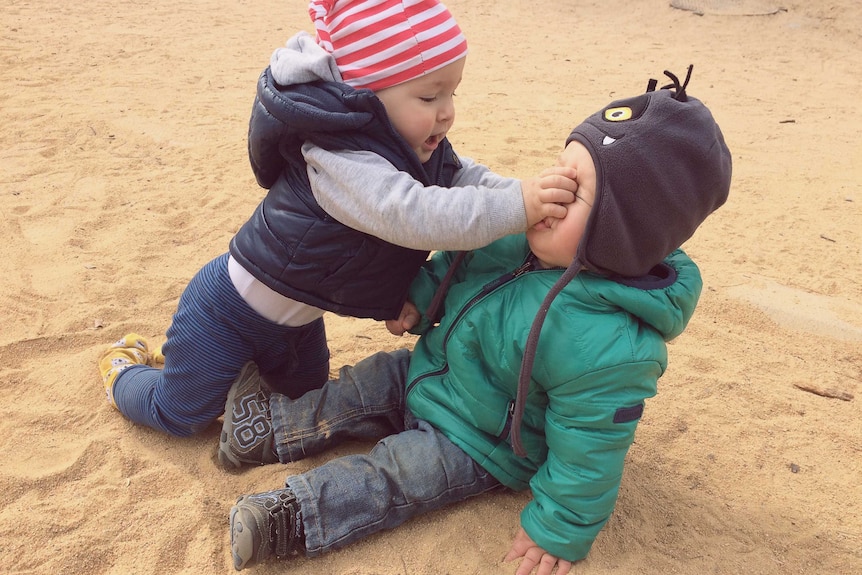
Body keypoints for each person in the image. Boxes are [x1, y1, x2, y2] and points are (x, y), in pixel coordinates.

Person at [222, 66, 732, 574]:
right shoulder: (521, 234)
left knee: (397, 475)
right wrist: (420, 298)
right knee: (367, 383)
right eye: (559, 171)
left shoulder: (612, 344)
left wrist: (557, 529)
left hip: (478, 443)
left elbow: (592, 451)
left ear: (625, 234)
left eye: (574, 195)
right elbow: (458, 263)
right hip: (437, 374)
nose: (551, 196)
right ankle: (266, 429)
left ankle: (291, 517)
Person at [96, 0, 576, 443]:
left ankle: (199, 367)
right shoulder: (337, 158)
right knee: (182, 416)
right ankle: (125, 369)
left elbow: (462, 177)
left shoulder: (406, 143)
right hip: (228, 314)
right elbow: (415, 213)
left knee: (300, 404)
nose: (447, 113)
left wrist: (529, 194)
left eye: (452, 93)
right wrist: (520, 206)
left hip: (299, 325)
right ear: (366, 96)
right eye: (429, 98)